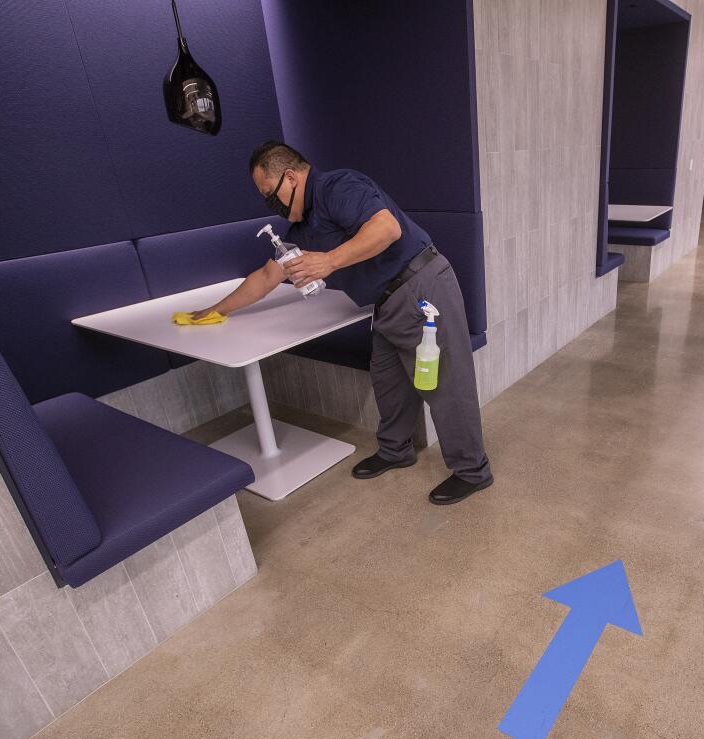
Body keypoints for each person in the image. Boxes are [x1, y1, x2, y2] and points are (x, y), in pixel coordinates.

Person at [193, 141, 493, 505]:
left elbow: (387, 229)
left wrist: (330, 261)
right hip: (385, 302)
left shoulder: (338, 187)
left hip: (420, 290)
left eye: (268, 194)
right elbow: (266, 276)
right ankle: (396, 450)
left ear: (290, 177)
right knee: (388, 381)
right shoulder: (302, 228)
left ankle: (472, 471)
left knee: (446, 384)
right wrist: (216, 310)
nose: (268, 204)